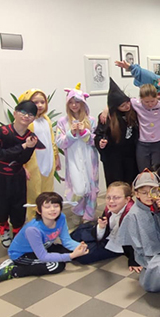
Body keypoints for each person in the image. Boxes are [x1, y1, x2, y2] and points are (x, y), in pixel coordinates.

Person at [0, 192, 89, 287]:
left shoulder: (61, 218)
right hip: (23, 254)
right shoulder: (33, 229)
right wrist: (71, 256)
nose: (52, 209)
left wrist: (80, 247)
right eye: (47, 207)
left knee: (73, 253)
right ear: (39, 210)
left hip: (43, 247)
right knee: (56, 266)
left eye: (56, 206)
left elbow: (67, 240)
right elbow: (43, 256)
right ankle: (13, 270)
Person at [0, 101, 41, 247]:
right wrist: (23, 146)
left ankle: (18, 234)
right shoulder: (1, 132)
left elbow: (23, 159)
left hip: (17, 176)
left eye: (30, 114)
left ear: (33, 118)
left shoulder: (31, 137)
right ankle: (4, 229)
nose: (26, 116)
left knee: (19, 206)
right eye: (23, 112)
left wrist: (28, 148)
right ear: (15, 113)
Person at [116, 170, 160, 303]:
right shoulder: (133, 215)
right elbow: (142, 247)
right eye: (144, 192)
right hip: (150, 254)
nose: (149, 196)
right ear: (136, 194)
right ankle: (151, 277)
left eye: (153, 191)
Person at [55, 85, 100, 222]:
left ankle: (89, 214)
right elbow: (60, 142)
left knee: (91, 187)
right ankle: (78, 211)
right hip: (73, 159)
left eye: (77, 102)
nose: (74, 105)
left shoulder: (91, 120)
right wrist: (72, 133)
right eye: (71, 102)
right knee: (77, 188)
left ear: (83, 103)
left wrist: (84, 132)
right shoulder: (62, 122)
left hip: (89, 158)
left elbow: (95, 141)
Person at [18, 89, 60, 220]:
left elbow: (51, 141)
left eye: (42, 102)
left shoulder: (46, 119)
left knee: (48, 193)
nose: (40, 105)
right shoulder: (26, 122)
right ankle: (33, 222)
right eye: (35, 102)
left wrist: (56, 157)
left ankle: (47, 220)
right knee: (34, 195)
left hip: (47, 161)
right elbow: (20, 145)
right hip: (33, 165)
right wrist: (23, 166)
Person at [71, 181, 134, 264]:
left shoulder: (131, 215)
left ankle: (71, 251)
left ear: (127, 199)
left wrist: (133, 260)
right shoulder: (110, 208)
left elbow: (137, 240)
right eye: (108, 197)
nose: (111, 201)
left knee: (84, 256)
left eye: (116, 198)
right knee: (79, 231)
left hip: (116, 243)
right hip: (106, 234)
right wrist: (101, 227)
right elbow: (103, 227)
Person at [95, 79, 139, 186]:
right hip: (114, 158)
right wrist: (101, 142)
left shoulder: (134, 112)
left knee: (130, 184)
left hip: (130, 156)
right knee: (116, 184)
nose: (127, 106)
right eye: (123, 105)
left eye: (127, 103)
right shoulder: (107, 118)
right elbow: (99, 134)